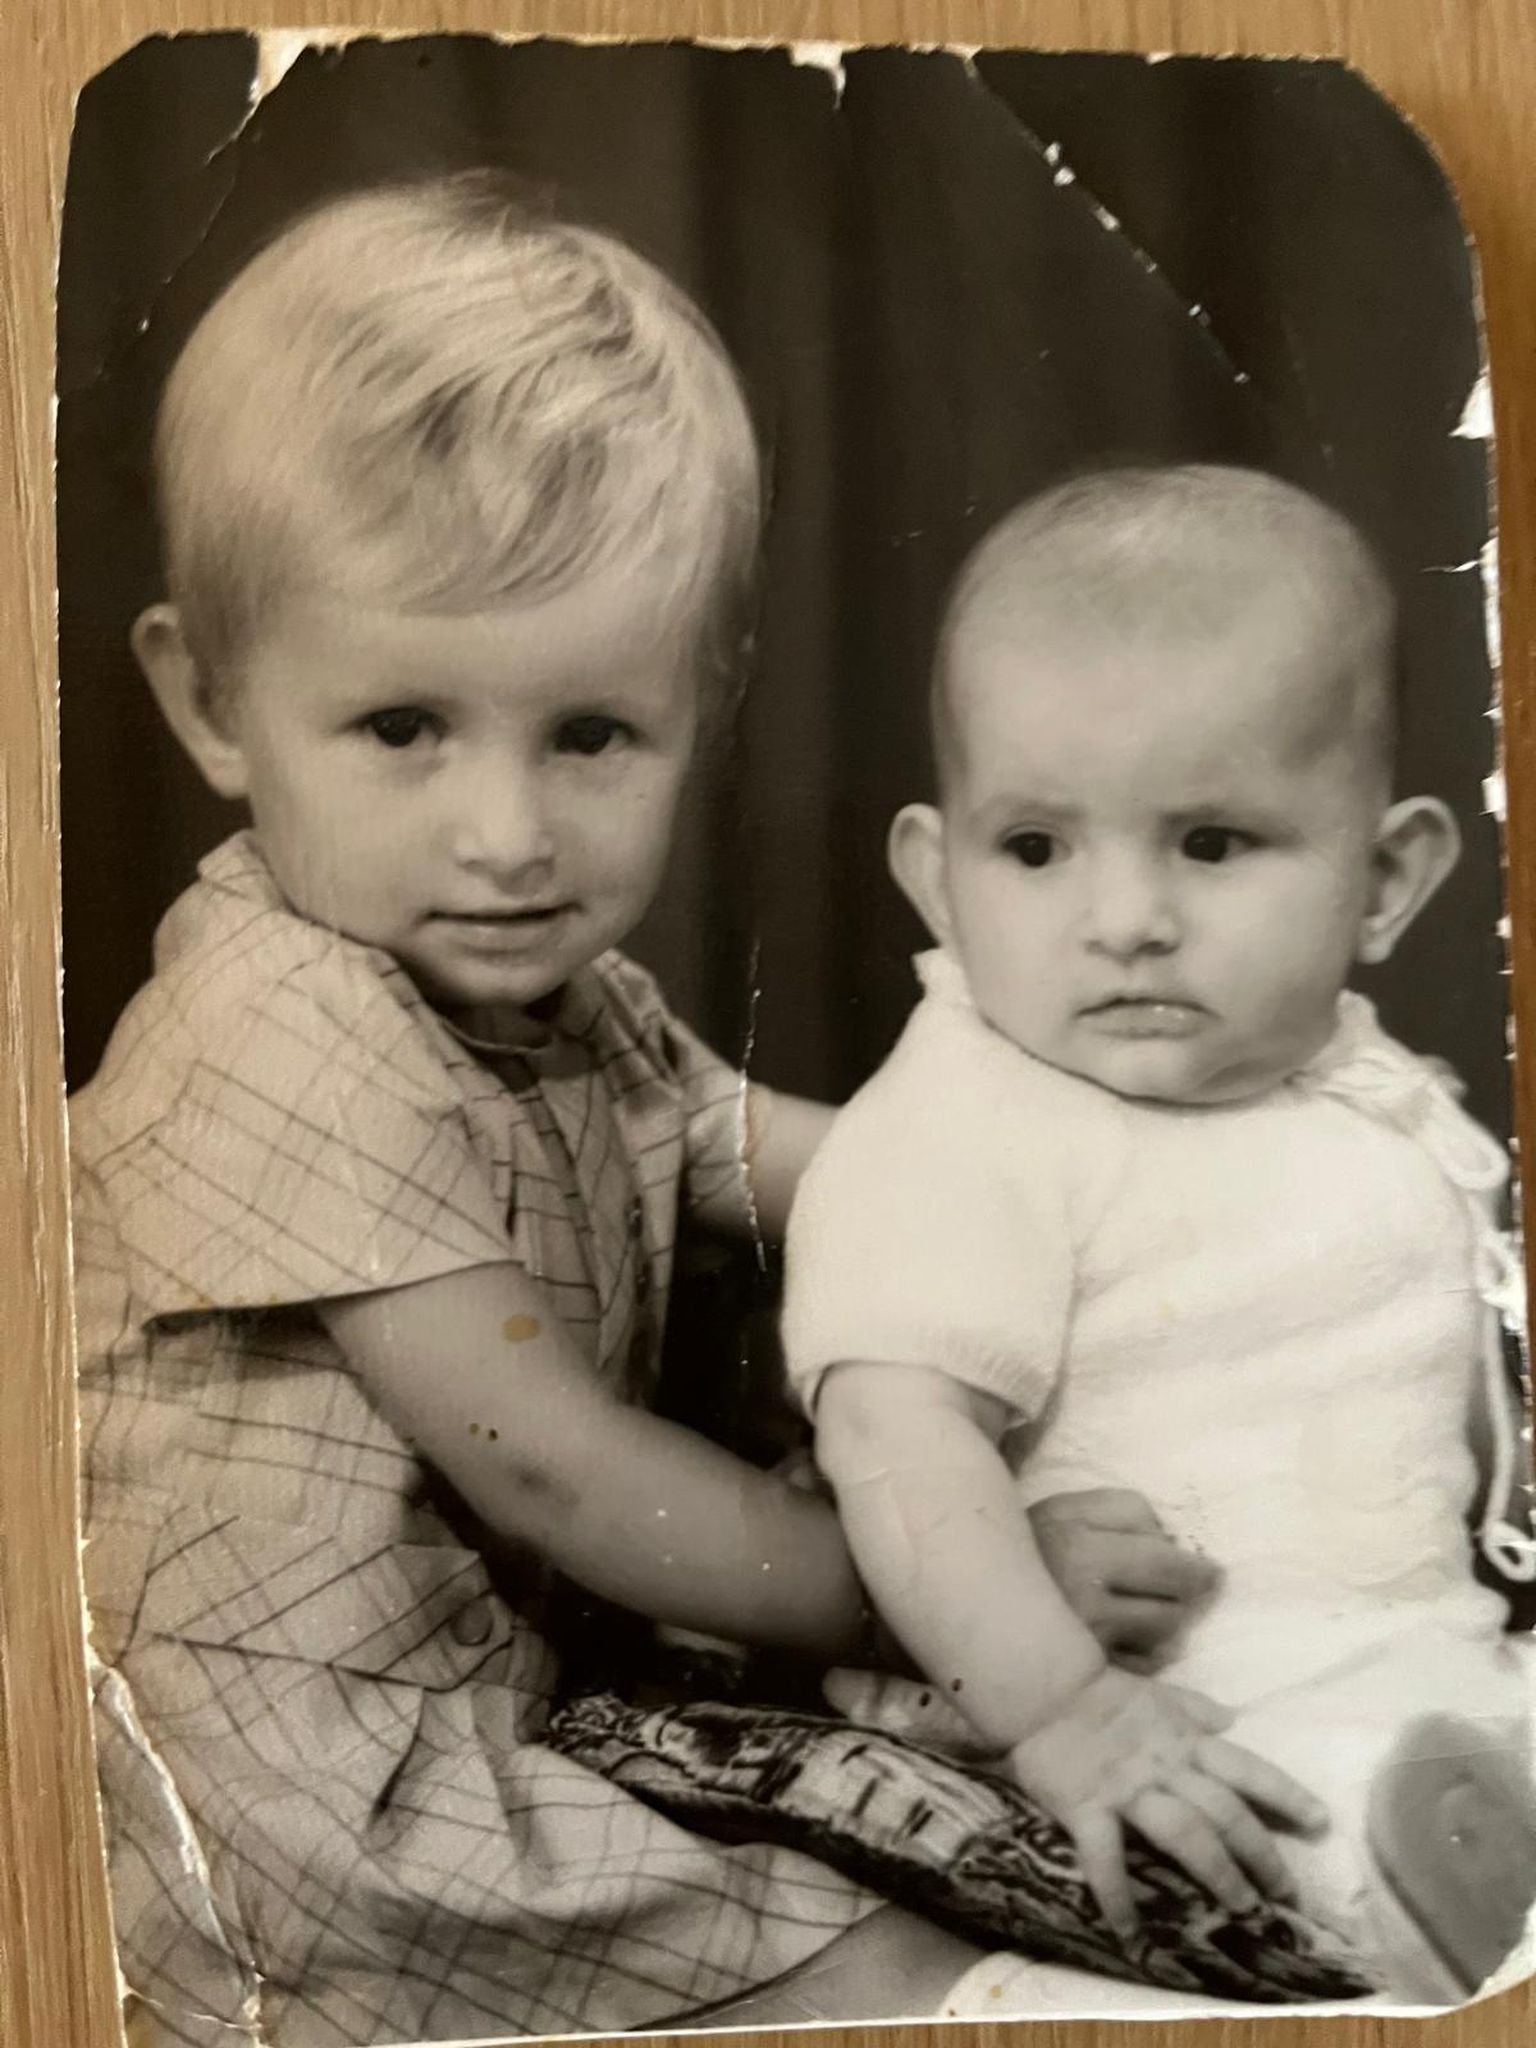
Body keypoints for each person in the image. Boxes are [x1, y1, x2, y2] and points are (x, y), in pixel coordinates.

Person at [70, 178, 1231, 2046]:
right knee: (877, 1968)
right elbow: (557, 1471)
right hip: (283, 1780)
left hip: (495, 1692)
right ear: (212, 702)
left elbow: (784, 1158)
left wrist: (1099, 1184)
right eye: (403, 730)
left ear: (706, 699)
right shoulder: (277, 1023)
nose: (509, 835)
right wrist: (948, 1588)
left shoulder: (558, 998)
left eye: (592, 736)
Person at [783, 464, 1536, 2001]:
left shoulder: (1366, 1097)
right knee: (1333, 1836)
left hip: (1434, 1661)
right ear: (938, 877)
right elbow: (893, 1433)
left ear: (1384, 880)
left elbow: (1443, 1379)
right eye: (1037, 850)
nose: (1124, 920)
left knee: (1464, 1762)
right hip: (1171, 1725)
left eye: (1209, 843)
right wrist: (1064, 1716)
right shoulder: (966, 1119)